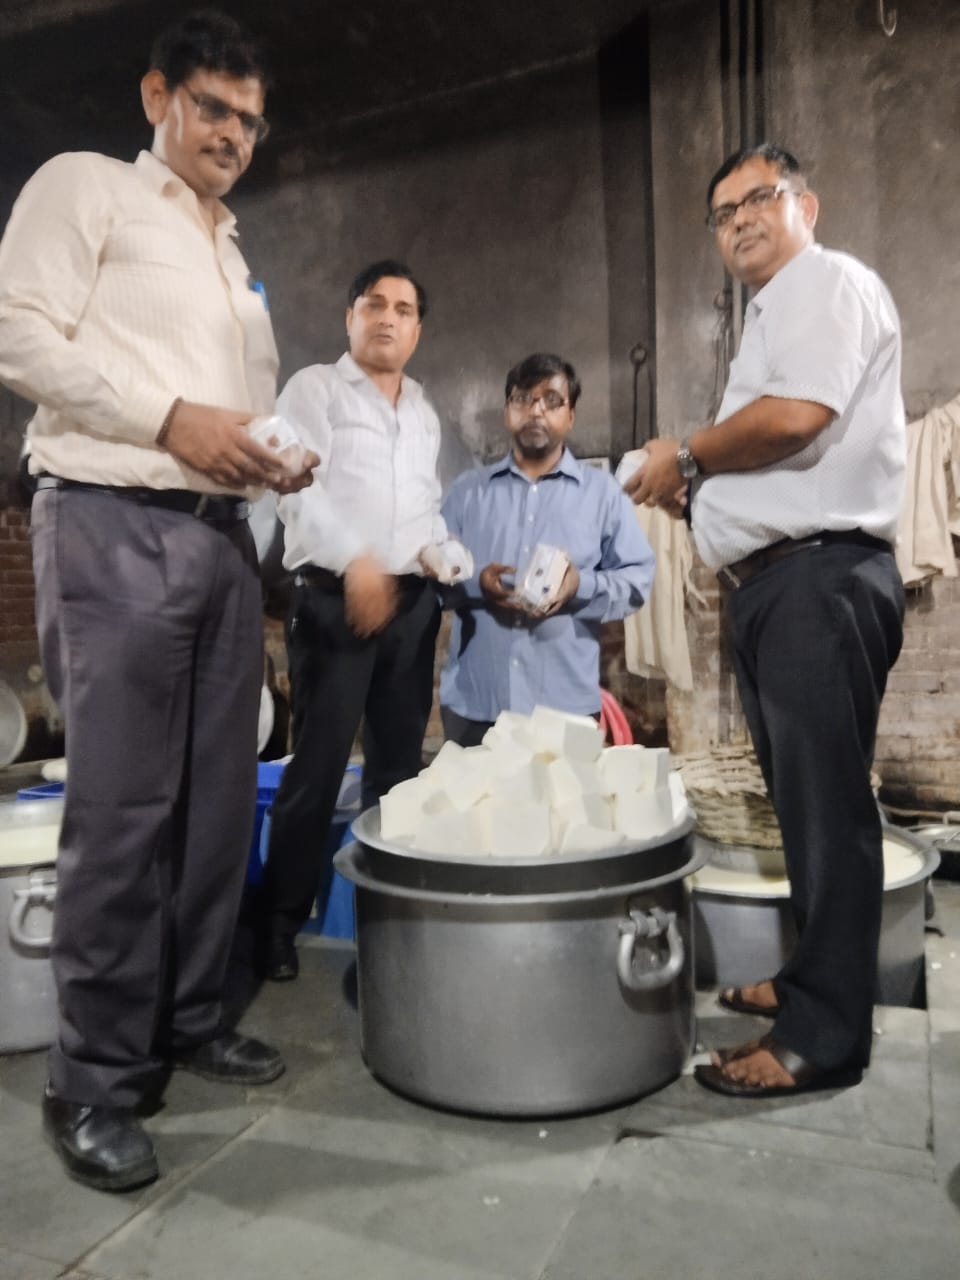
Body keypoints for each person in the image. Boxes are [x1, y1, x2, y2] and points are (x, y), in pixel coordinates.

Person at [0, 10, 318, 1192]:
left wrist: (273, 457)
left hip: (221, 539)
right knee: (125, 809)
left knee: (216, 805)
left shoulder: (232, 256)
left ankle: (187, 1016)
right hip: (110, 518)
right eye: (212, 108)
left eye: (250, 120)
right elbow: (16, 333)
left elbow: (236, 406)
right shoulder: (87, 188)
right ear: (157, 98)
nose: (233, 133)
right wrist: (171, 419)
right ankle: (92, 1076)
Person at [629, 144, 906, 1097]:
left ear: (806, 207)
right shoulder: (771, 318)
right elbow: (770, 448)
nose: (741, 219)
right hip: (780, 584)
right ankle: (809, 982)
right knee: (802, 806)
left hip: (819, 579)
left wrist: (686, 458)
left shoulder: (827, 283)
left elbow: (798, 419)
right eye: (723, 212)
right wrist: (699, 494)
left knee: (826, 811)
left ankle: (822, 1040)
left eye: (760, 198)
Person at [261, 260, 446, 981]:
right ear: (351, 317)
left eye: (403, 308)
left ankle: (389, 918)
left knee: (398, 772)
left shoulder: (423, 411)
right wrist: (356, 561)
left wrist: (438, 550)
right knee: (318, 767)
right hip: (335, 601)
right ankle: (279, 924)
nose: (387, 318)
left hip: (410, 606)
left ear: (418, 330)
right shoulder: (314, 389)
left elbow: (424, 505)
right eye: (374, 304)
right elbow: (296, 493)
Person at [439, 353, 655, 745]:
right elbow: (432, 579)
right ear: (507, 412)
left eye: (552, 400)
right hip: (477, 705)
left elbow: (637, 581)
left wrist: (578, 586)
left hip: (565, 708)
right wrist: (475, 584)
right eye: (523, 398)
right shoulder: (467, 493)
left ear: (570, 416)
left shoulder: (603, 495)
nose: (536, 410)